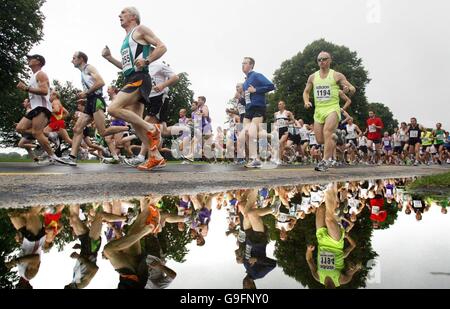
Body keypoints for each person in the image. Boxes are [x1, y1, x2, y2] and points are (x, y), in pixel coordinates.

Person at [102, 6, 167, 171]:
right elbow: (125, 67)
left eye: (123, 13)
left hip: (140, 78)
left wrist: (147, 60)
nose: (119, 15)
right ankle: (155, 157)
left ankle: (153, 128)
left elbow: (162, 47)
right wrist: (109, 58)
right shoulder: (126, 39)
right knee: (136, 125)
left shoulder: (140, 30)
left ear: (133, 16)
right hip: (131, 77)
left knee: (113, 108)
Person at [303, 51, 356, 172]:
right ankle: (337, 135)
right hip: (319, 110)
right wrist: (306, 101)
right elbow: (306, 92)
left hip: (332, 108)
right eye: (319, 59)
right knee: (320, 140)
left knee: (327, 132)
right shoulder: (313, 77)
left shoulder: (336, 75)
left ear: (330, 60)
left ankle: (325, 161)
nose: (321, 61)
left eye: (324, 59)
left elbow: (352, 88)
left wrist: (348, 90)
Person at [306, 183, 361, 288]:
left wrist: (309, 251)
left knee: (321, 208)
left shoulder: (318, 277)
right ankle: (330, 185)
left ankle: (336, 194)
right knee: (330, 220)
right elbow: (353, 268)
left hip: (321, 240)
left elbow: (309, 260)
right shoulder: (343, 280)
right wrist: (355, 267)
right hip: (336, 244)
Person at [15, 55, 67, 165]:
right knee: (20, 128)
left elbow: (44, 91)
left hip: (43, 108)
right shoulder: (33, 76)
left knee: (36, 132)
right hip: (35, 108)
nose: (28, 60)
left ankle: (53, 155)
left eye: (31, 58)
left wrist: (26, 88)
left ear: (38, 62)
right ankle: (50, 136)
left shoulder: (41, 74)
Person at [237, 57, 275, 168]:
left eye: (245, 63)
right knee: (243, 136)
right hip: (248, 111)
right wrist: (240, 99)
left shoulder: (257, 75)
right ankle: (256, 158)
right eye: (242, 63)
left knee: (252, 132)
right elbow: (247, 101)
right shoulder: (245, 83)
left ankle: (255, 158)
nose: (242, 65)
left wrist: (256, 90)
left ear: (251, 65)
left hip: (258, 108)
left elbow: (271, 86)